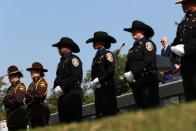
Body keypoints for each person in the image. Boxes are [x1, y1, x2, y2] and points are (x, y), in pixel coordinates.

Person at [124, 20, 160, 109]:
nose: (133, 33)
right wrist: (126, 73)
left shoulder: (147, 43)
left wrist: (133, 72)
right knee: (141, 109)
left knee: (151, 108)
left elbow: (148, 60)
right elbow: (129, 63)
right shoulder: (132, 49)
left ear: (142, 31)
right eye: (132, 31)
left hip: (147, 80)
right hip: (137, 82)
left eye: (135, 30)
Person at [86, 31, 118, 117]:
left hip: (107, 87)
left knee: (109, 113)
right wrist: (93, 81)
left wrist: (99, 79)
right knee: (100, 114)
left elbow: (111, 70)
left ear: (102, 42)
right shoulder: (96, 57)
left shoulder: (107, 54)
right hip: (99, 88)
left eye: (95, 41)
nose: (93, 43)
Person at [52, 37, 83, 123]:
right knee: (63, 123)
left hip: (72, 94)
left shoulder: (74, 59)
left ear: (68, 47)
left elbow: (75, 76)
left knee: (74, 122)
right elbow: (57, 78)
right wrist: (55, 87)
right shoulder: (60, 63)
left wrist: (62, 87)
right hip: (62, 96)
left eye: (60, 47)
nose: (58, 49)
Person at [171, 0, 196, 101]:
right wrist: (171, 50)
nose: (183, 6)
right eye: (182, 4)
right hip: (186, 68)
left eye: (185, 3)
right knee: (190, 100)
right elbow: (177, 41)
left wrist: (186, 49)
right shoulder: (182, 24)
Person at [24, 62, 50, 128]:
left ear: (39, 72)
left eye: (33, 70)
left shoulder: (42, 82)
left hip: (41, 111)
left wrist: (28, 95)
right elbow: (27, 99)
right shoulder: (31, 84)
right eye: (31, 71)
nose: (31, 72)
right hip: (32, 112)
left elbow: (38, 95)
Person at [3, 65, 27, 131]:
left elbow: (17, 100)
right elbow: (5, 102)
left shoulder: (21, 86)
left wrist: (9, 100)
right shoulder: (9, 89)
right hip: (11, 120)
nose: (8, 78)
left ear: (15, 75)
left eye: (10, 75)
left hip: (19, 119)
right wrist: (9, 100)